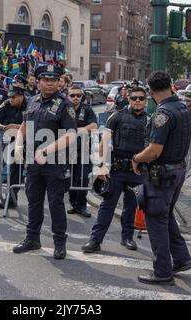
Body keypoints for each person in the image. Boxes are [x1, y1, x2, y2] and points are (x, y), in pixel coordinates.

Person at [132, 71, 191, 286]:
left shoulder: (163, 113)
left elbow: (154, 150)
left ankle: (162, 272)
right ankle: (182, 259)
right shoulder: (183, 107)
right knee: (166, 216)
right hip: (177, 170)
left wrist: (136, 158)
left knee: (156, 221)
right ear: (171, 85)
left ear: (150, 91)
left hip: (162, 174)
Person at [13, 63, 77, 260]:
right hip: (33, 162)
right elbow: (25, 124)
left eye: (53, 80)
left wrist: (46, 150)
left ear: (59, 82)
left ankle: (59, 243)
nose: (50, 83)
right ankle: (32, 239)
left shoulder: (65, 105)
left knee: (56, 203)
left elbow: (71, 135)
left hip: (54, 162)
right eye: (45, 80)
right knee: (34, 201)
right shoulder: (32, 101)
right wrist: (18, 144)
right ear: (38, 82)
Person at [82, 87, 149, 254]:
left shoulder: (150, 120)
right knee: (107, 206)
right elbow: (103, 141)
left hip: (137, 172)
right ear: (129, 99)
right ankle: (95, 240)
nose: (138, 101)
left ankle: (127, 238)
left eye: (141, 98)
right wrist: (101, 167)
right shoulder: (117, 116)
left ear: (146, 100)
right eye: (134, 98)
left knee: (131, 206)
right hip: (117, 170)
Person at [0, 84, 28, 208]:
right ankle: (11, 199)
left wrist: (18, 127)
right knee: (12, 171)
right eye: (10, 97)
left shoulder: (30, 104)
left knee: (32, 173)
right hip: (10, 144)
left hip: (29, 143)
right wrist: (5, 128)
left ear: (21, 96)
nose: (11, 99)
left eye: (14, 97)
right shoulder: (6, 104)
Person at [67, 85, 98, 218]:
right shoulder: (64, 109)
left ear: (82, 96)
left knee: (83, 178)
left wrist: (77, 130)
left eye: (78, 95)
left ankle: (82, 205)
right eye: (72, 95)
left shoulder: (87, 109)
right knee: (70, 178)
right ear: (68, 96)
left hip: (84, 150)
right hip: (67, 151)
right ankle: (74, 204)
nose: (75, 98)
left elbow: (94, 126)